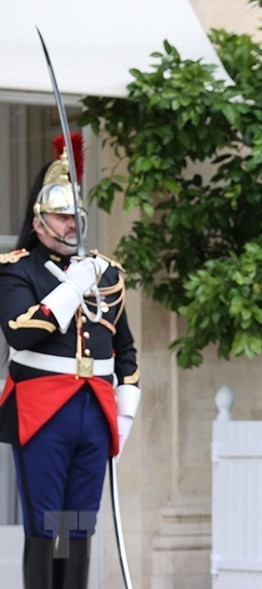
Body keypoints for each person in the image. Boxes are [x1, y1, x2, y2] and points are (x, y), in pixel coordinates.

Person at [0, 134, 141, 588]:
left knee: (76, 522)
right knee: (46, 520)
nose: (70, 225)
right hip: (42, 411)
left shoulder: (104, 271)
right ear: (39, 221)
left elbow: (127, 352)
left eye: (74, 216)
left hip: (94, 413)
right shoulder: (17, 269)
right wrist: (71, 287)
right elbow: (20, 330)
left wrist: (126, 415)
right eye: (61, 216)